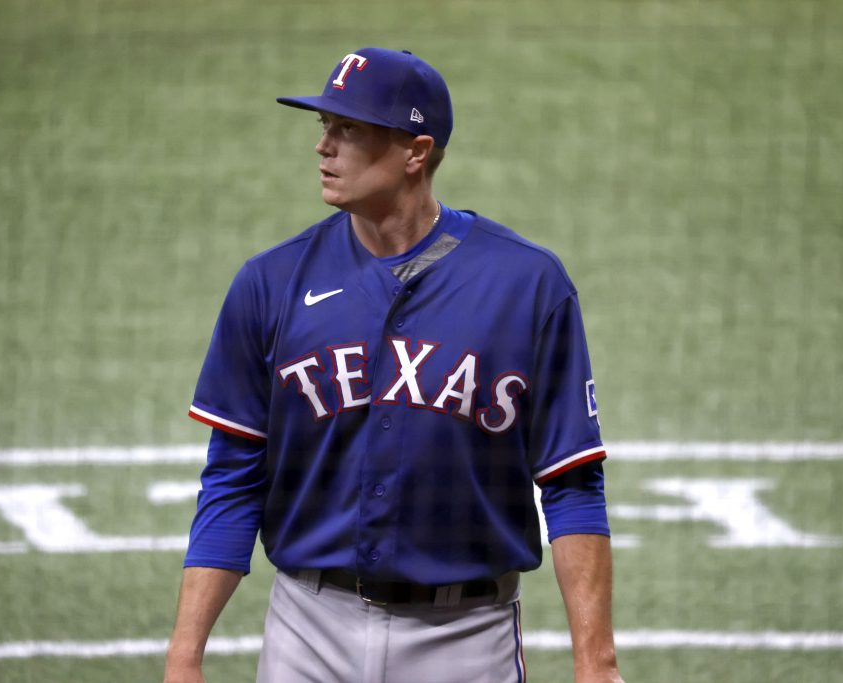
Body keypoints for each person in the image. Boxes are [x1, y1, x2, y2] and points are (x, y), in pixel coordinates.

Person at [164, 47, 624, 683]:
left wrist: (595, 664)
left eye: (348, 129)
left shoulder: (528, 285)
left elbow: (571, 484)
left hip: (466, 636)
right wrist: (184, 657)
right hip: (308, 628)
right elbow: (233, 479)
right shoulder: (268, 283)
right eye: (323, 126)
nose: (324, 147)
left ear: (415, 151)